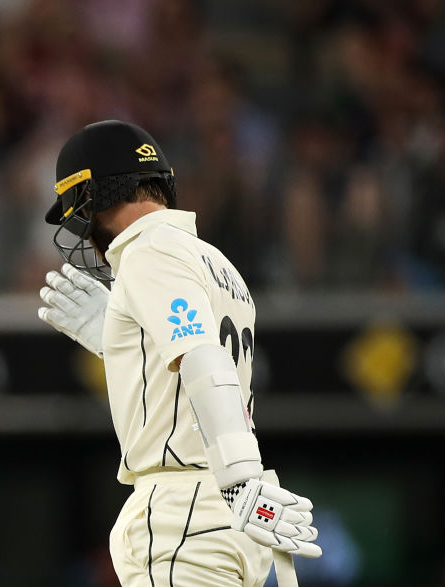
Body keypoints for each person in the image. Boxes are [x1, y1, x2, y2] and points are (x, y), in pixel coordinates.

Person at [37, 120, 320, 586]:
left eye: (75, 208)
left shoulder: (150, 250)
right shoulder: (214, 260)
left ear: (93, 196)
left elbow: (203, 359)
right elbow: (187, 374)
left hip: (189, 509)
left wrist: (240, 478)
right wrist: (122, 342)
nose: (79, 229)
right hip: (225, 512)